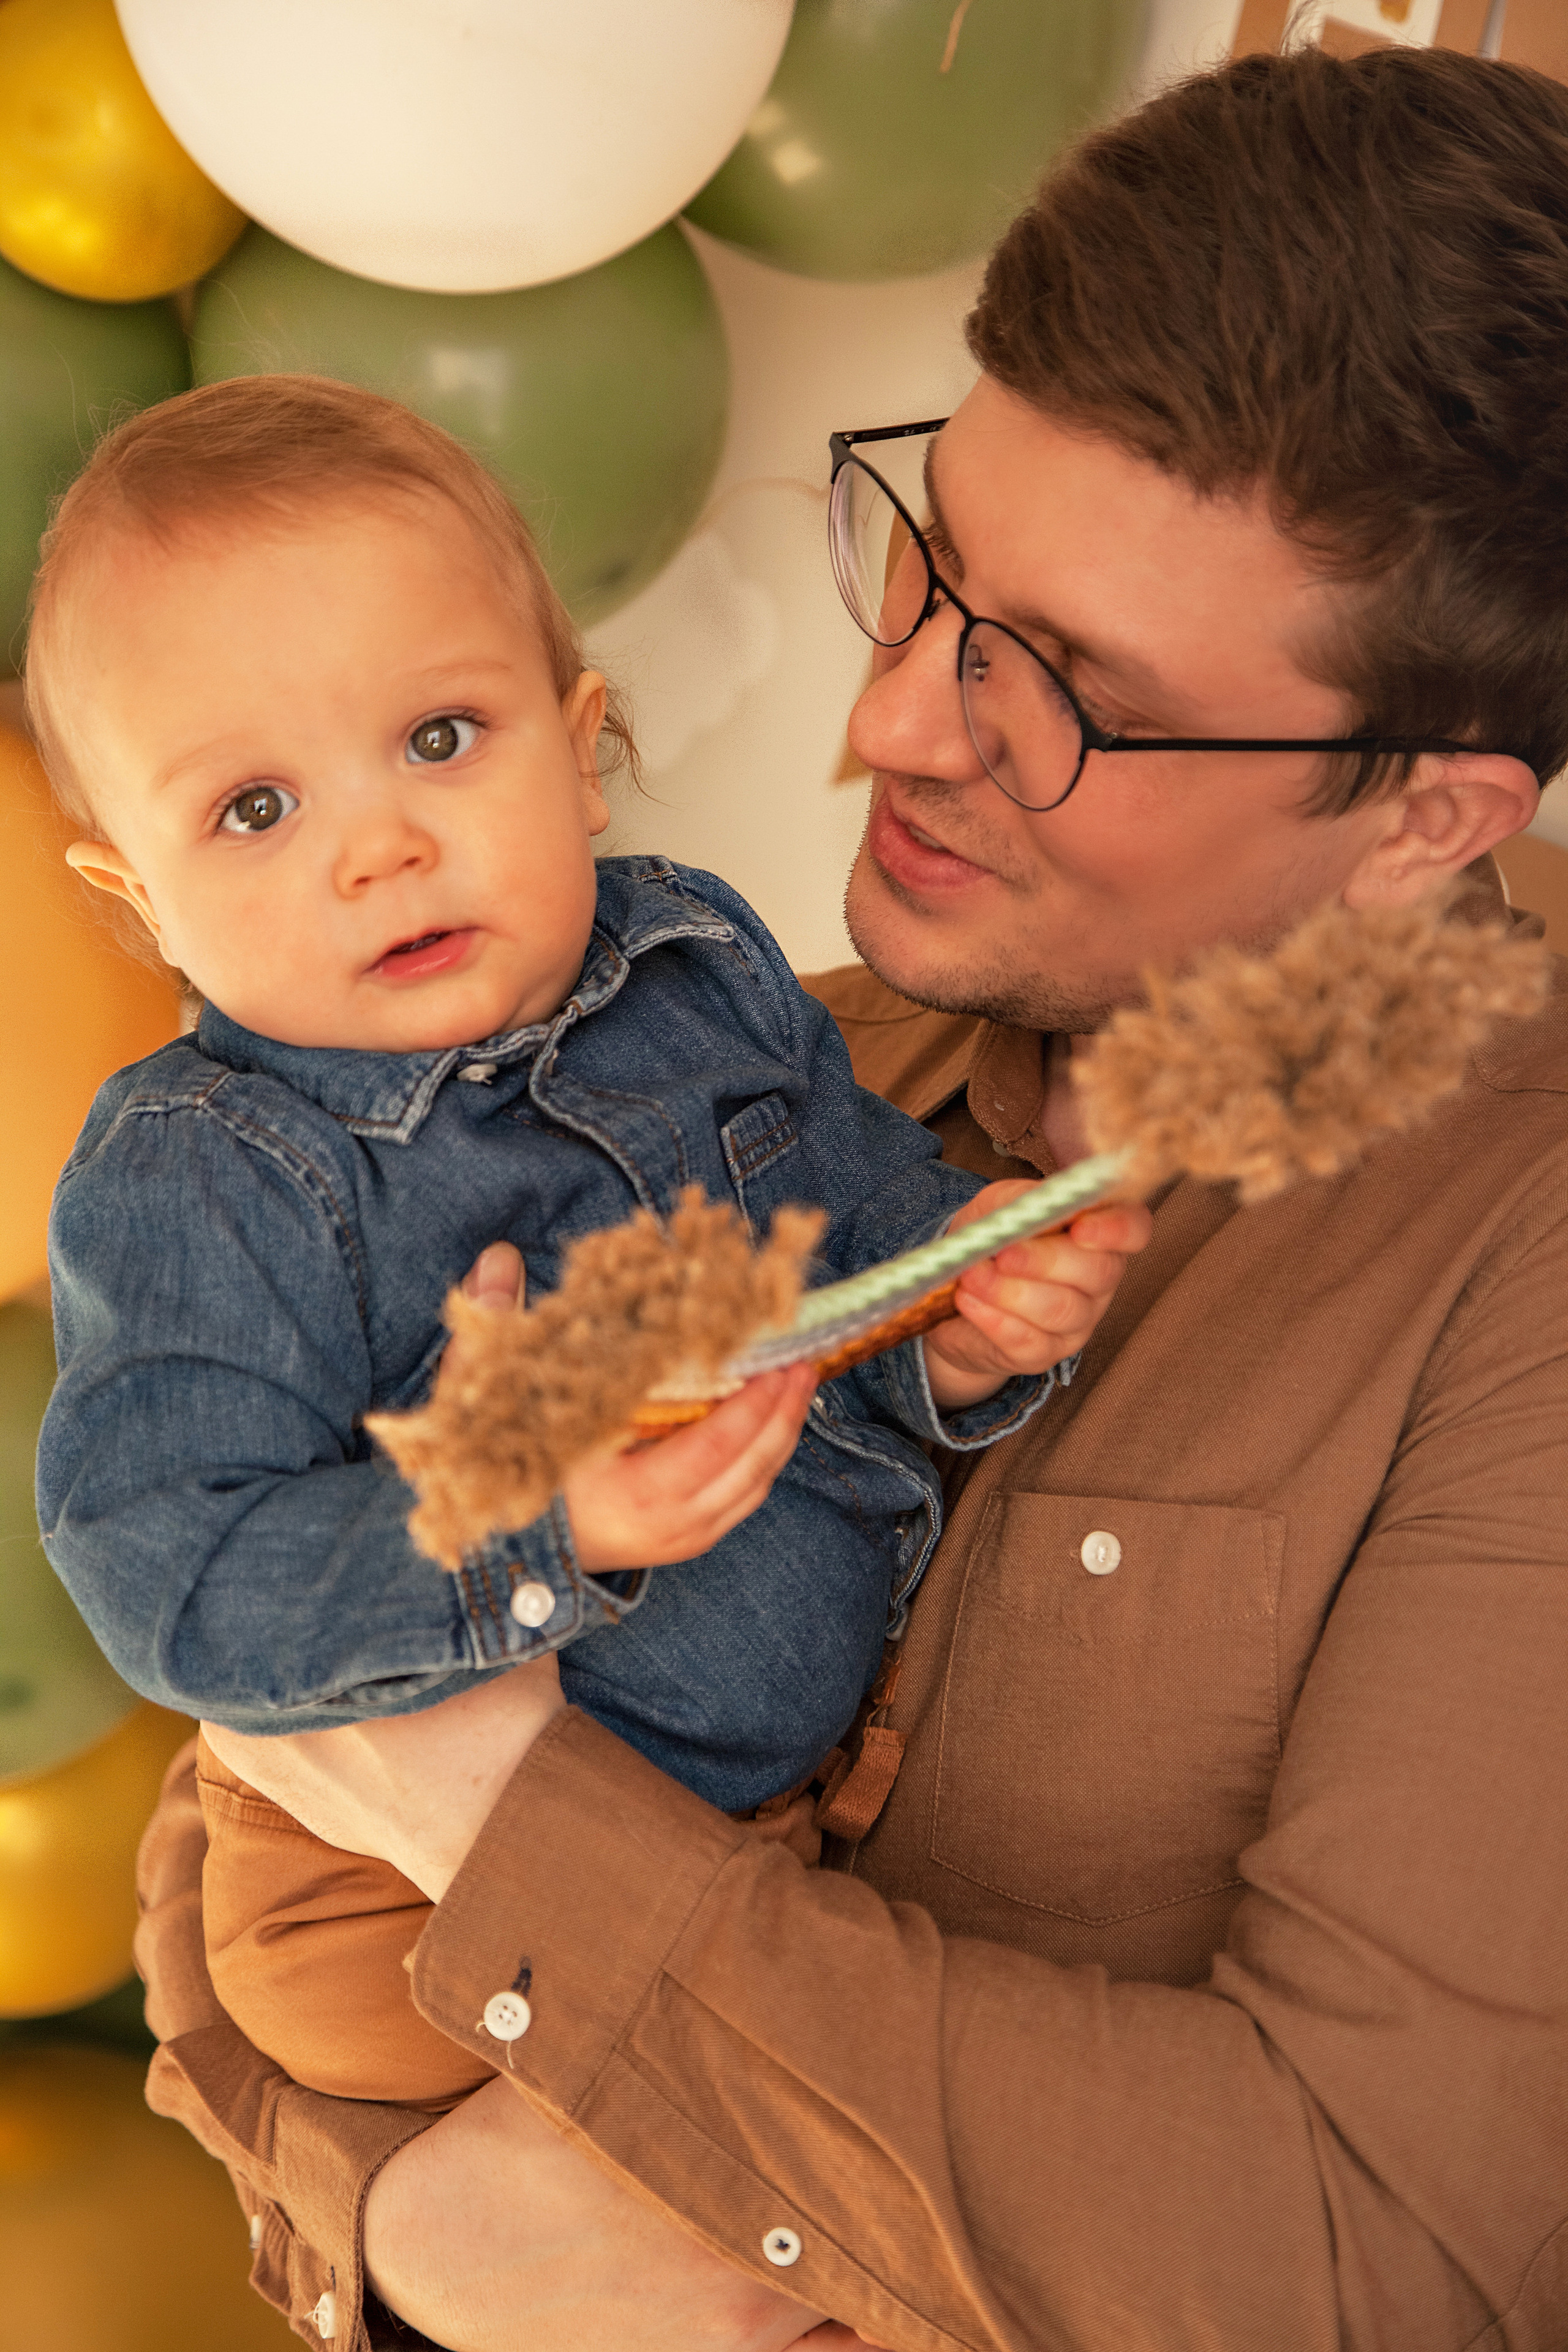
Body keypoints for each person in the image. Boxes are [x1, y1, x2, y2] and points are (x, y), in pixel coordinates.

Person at [135, 40, 1567, 2352]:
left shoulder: (1524, 1276)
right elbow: (223, 1857)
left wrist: (496, 1809)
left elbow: (1365, 2262)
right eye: (929, 561)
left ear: (1423, 818)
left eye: (1069, 690)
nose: (892, 720)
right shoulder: (724, 1053)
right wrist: (414, 2241)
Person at [30, 374, 1143, 2114]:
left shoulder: (699, 976)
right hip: (389, 1898)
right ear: (136, 900)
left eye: (441, 738)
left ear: (583, 744)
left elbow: (854, 1225)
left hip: (751, 1845)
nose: (382, 847)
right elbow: (166, 1567)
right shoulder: (211, 1170)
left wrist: (960, 1303)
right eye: (254, 809)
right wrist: (533, 1518)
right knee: (728, 2160)